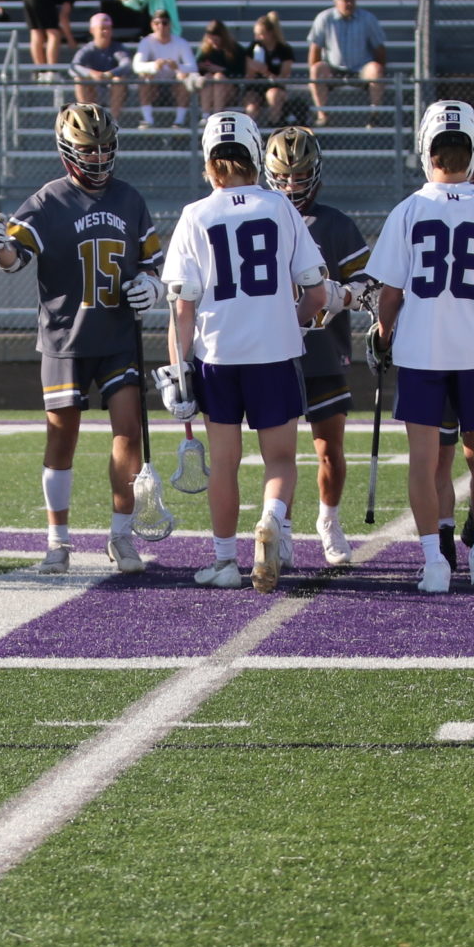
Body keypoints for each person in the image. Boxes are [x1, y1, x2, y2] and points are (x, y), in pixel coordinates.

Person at [365, 100, 474, 592]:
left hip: (421, 352)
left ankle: (435, 564)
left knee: (424, 460)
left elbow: (391, 293)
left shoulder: (407, 210)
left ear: (426, 150)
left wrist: (383, 334)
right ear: (473, 150)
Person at [156, 111, 332, 591]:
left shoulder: (195, 215)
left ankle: (225, 562)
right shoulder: (282, 209)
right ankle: (272, 518)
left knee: (224, 461)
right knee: (279, 459)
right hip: (274, 353)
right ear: (256, 157)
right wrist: (285, 320)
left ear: (210, 164)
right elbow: (316, 296)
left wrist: (178, 369)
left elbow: (181, 308)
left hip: (218, 355)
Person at [0, 103, 161, 574]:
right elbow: (14, 255)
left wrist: (151, 284)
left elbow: (151, 262)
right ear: (68, 151)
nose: (100, 157)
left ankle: (121, 536)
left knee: (128, 431)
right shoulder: (47, 201)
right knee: (61, 438)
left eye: (106, 147)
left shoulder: (129, 199)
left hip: (118, 335)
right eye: (89, 148)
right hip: (65, 339)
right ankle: (57, 540)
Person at [264, 127, 369, 566]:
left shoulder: (335, 224)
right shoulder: (258, 217)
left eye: (300, 175)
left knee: (330, 448)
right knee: (278, 452)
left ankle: (328, 520)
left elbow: (369, 284)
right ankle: (281, 529)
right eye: (283, 176)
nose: (291, 185)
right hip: (272, 353)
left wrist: (342, 296)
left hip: (323, 350)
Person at [306, 0, 387, 121]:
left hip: (361, 68)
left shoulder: (367, 19)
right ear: (336, 2)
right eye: (345, 1)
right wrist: (314, 72)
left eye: (352, 0)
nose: (349, 4)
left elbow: (379, 48)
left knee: (376, 69)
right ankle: (322, 115)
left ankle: (375, 115)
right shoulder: (324, 18)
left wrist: (381, 68)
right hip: (333, 69)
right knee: (316, 69)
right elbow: (315, 48)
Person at [131, 9, 197, 130]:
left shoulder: (181, 43)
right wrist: (154, 66)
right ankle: (148, 120)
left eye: (164, 23)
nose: (161, 26)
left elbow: (193, 67)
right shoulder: (146, 42)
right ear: (152, 25)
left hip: (175, 84)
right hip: (153, 84)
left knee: (184, 76)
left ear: (170, 25)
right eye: (157, 23)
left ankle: (179, 121)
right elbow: (136, 66)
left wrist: (177, 67)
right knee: (144, 77)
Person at [70, 12, 131, 115]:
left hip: (112, 86)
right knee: (79, 80)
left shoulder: (117, 48)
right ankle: (88, 117)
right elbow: (73, 67)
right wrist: (92, 74)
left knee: (119, 80)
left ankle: (113, 120)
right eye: (102, 28)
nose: (106, 32)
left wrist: (110, 74)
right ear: (92, 30)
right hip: (93, 88)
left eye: (108, 28)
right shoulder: (87, 49)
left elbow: (126, 64)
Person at [24, 0, 78, 68]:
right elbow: (63, 16)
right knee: (54, 33)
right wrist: (70, 39)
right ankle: (51, 70)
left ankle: (40, 71)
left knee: (36, 32)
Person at [246, 11, 295, 123]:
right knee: (251, 105)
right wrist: (254, 67)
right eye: (256, 34)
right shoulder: (253, 47)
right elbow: (249, 76)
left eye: (261, 34)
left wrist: (267, 73)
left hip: (275, 87)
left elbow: (284, 77)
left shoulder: (284, 50)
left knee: (273, 95)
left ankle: (273, 125)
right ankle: (250, 132)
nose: (258, 38)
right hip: (256, 87)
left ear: (271, 33)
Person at [194, 18, 247, 115]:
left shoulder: (235, 50)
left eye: (216, 39)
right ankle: (205, 115)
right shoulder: (205, 50)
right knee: (208, 78)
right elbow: (195, 67)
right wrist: (203, 67)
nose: (213, 42)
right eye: (210, 39)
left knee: (219, 77)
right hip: (209, 90)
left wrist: (222, 70)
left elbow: (240, 73)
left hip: (230, 90)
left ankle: (217, 114)